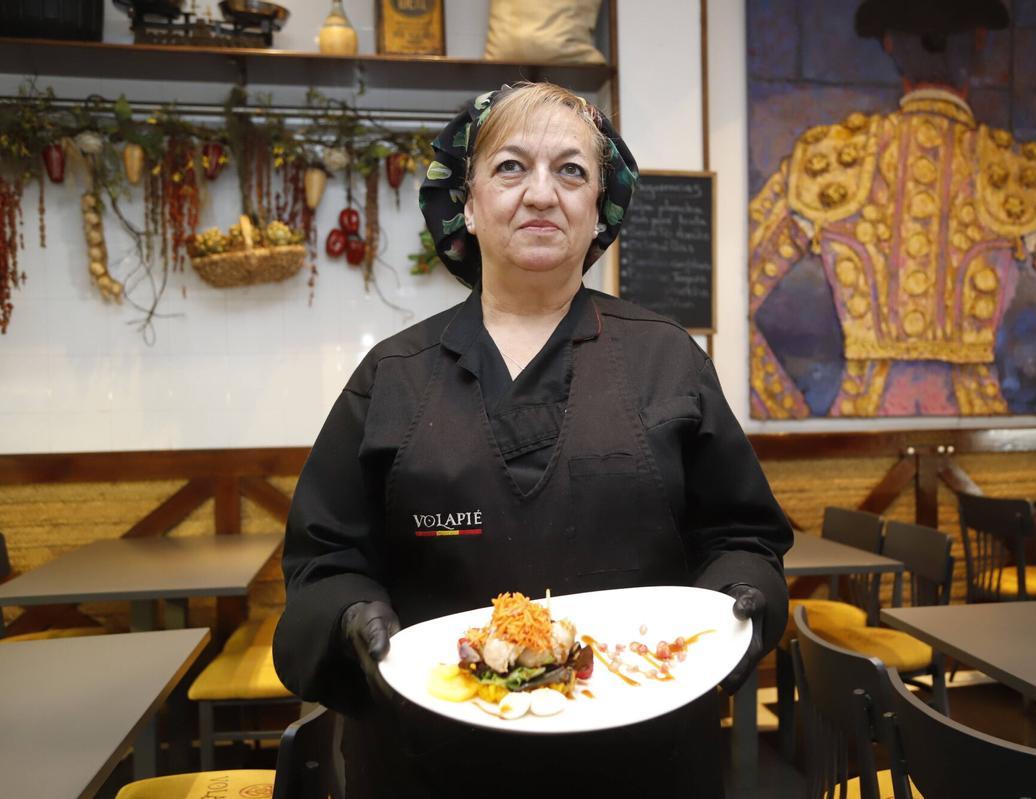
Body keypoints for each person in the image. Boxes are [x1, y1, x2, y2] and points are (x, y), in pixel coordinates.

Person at [273, 82, 792, 797]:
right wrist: (350, 614)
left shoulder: (668, 360)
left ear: (598, 209)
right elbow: (324, 560)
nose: (542, 193)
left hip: (644, 762)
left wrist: (740, 597)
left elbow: (742, 535)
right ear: (468, 202)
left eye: (571, 170)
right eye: (511, 167)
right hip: (430, 764)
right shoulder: (391, 377)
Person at [749, 0, 1036, 419]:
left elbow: (731, 309)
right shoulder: (1019, 175)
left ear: (891, 45)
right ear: (979, 43)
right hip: (978, 427)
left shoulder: (833, 162)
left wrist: (788, 418)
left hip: (856, 422)